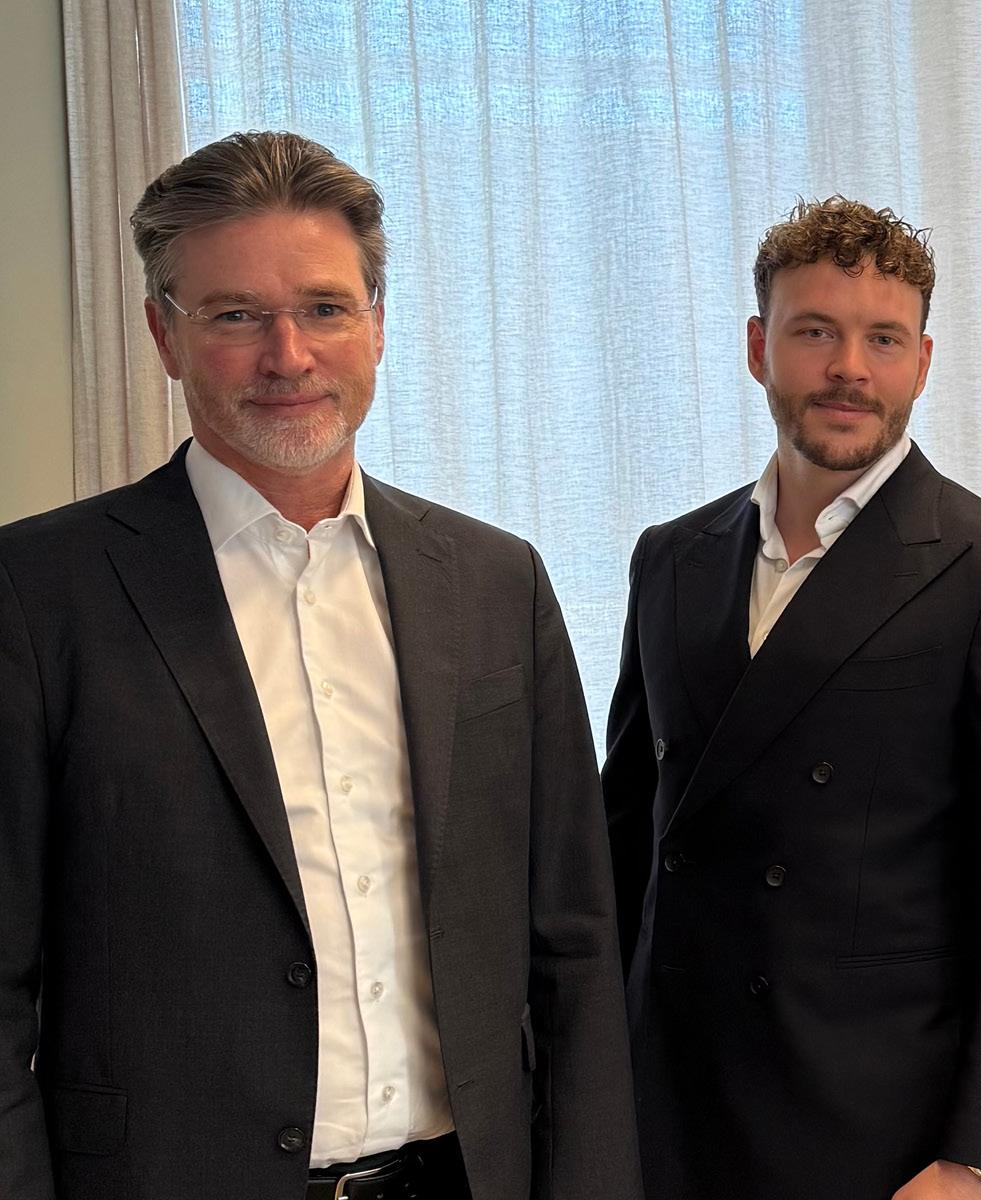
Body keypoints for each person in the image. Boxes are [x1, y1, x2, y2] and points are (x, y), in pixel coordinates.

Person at [0, 131, 643, 1200]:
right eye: (235, 315)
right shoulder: (36, 594)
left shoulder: (496, 583)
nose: (288, 355)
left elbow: (573, 944)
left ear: (378, 324)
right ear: (164, 334)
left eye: (325, 308)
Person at [601, 197, 981, 1198]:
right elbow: (623, 841)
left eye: (882, 339)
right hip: (670, 1108)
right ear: (759, 347)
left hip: (880, 1127)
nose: (849, 369)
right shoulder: (670, 559)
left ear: (922, 361)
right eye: (815, 333)